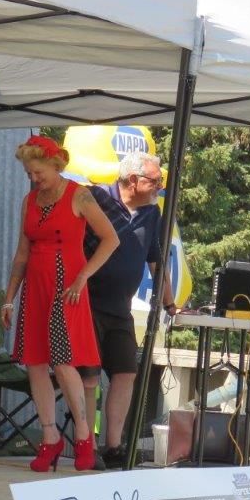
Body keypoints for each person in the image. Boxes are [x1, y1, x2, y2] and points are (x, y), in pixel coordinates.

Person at [1, 135, 119, 472]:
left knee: (63, 360)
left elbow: (111, 239)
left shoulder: (79, 195)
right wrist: (9, 298)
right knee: (35, 362)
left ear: (56, 165)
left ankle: (83, 436)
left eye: (38, 172)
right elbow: (22, 254)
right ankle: (50, 438)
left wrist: (83, 277)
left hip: (66, 287)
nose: (34, 179)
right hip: (36, 285)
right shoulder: (30, 200)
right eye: (29, 174)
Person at [79, 151, 176, 470]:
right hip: (86, 303)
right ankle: (85, 444)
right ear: (133, 180)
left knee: (125, 372)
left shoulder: (152, 213)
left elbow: (156, 259)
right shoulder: (96, 197)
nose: (160, 187)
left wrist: (169, 302)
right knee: (88, 376)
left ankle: (114, 445)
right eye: (155, 181)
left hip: (120, 308)